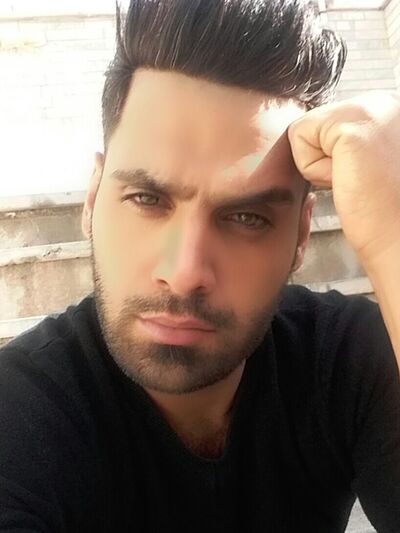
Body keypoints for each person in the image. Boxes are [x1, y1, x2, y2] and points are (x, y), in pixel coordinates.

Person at [1, 0, 399, 531]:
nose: (185, 272)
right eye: (146, 199)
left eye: (247, 217)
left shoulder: (348, 360)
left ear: (302, 234)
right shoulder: (19, 408)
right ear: (92, 201)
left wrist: (393, 238)